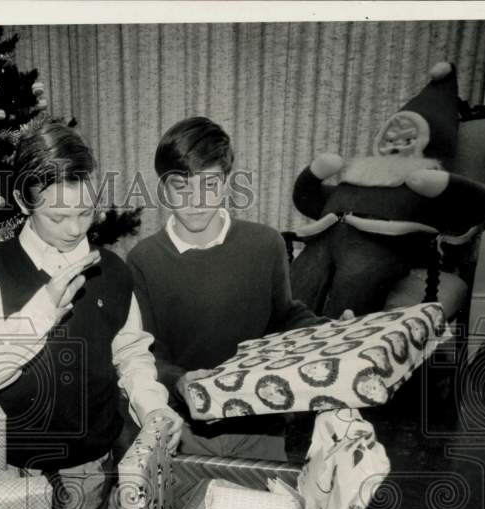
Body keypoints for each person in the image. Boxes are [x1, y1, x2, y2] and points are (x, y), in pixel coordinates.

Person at [0, 123, 182, 509]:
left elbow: (132, 351)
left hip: (87, 456)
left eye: (84, 212)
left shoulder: (113, 270)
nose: (75, 228)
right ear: (24, 203)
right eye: (57, 216)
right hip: (14, 462)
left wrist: (154, 408)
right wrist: (43, 308)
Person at [129, 117, 333, 462]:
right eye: (181, 186)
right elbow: (147, 353)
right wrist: (179, 382)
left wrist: (330, 331)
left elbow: (283, 317)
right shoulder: (144, 259)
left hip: (262, 427)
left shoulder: (264, 243)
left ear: (226, 183)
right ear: (163, 189)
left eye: (209, 185)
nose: (195, 200)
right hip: (186, 433)